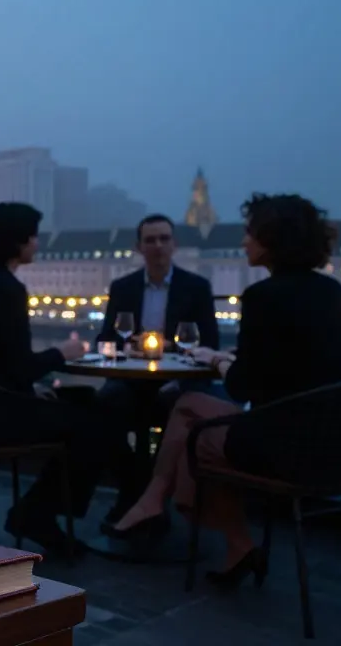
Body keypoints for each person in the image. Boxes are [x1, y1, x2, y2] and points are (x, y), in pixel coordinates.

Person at [107, 193, 341, 583]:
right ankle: (178, 515)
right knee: (188, 405)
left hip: (282, 445)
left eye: (250, 233)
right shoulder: (334, 293)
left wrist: (222, 361)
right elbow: (304, 361)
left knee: (191, 434)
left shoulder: (262, 297)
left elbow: (241, 387)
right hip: (335, 443)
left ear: (272, 239)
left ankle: (168, 507)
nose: (244, 242)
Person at [0, 202, 121, 556]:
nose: (37, 244)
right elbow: (20, 367)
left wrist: (31, 388)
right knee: (96, 423)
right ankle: (37, 514)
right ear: (17, 242)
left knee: (88, 403)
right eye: (32, 237)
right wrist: (63, 353)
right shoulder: (6, 289)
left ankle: (40, 513)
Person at [96, 214, 221, 522]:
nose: (158, 246)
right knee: (103, 407)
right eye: (150, 240)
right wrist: (128, 345)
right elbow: (105, 337)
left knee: (170, 403)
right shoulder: (122, 287)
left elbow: (209, 341)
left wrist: (170, 347)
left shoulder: (197, 287)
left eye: (164, 239)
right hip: (131, 381)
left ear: (174, 244)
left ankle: (148, 497)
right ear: (139, 247)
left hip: (178, 380)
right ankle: (134, 489)